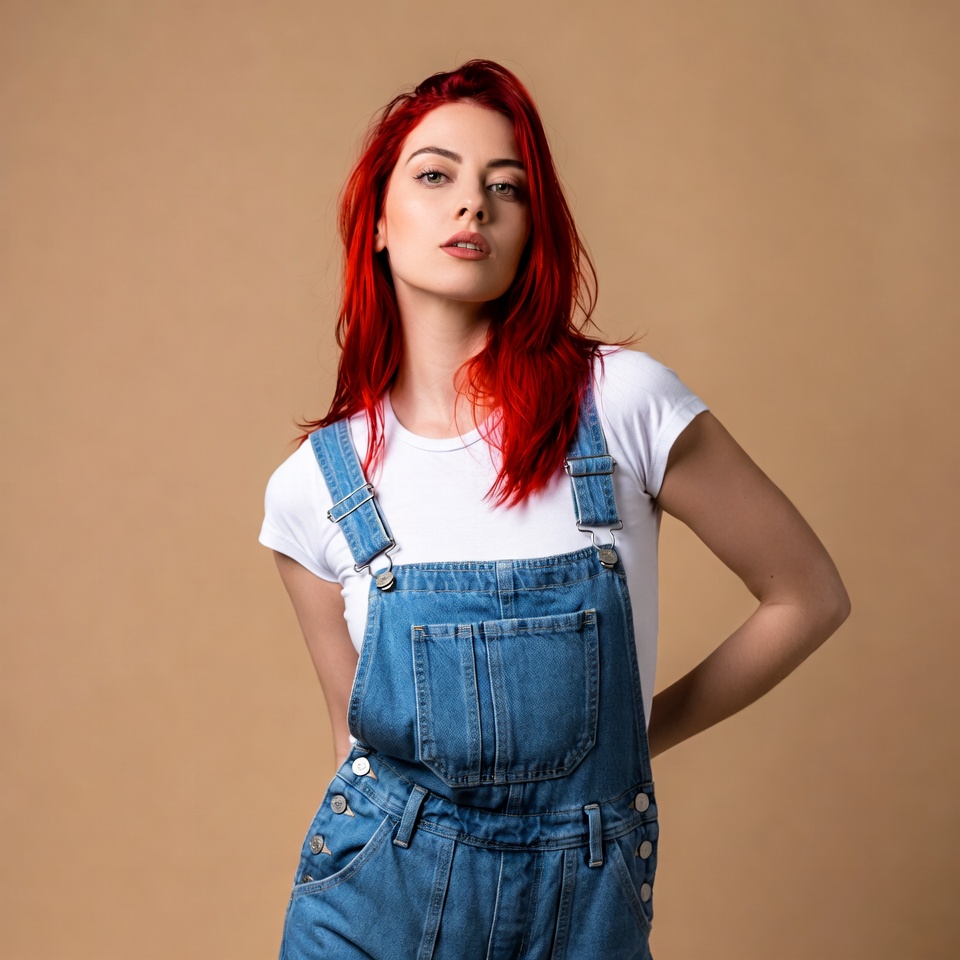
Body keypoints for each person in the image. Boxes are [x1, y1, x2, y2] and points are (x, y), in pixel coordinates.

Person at [259, 59, 849, 960]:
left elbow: (808, 595)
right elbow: (356, 744)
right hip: (373, 911)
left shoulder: (620, 406)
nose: (474, 206)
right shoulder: (314, 484)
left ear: (534, 227)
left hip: (579, 915)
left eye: (508, 187)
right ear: (377, 221)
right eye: (435, 176)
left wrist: (637, 736)